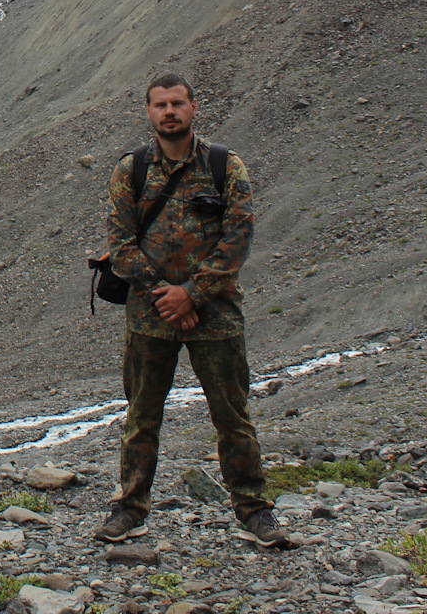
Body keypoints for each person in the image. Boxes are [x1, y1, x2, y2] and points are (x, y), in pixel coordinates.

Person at [93, 72, 290, 549]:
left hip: (215, 316)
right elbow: (120, 243)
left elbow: (238, 238)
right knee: (141, 415)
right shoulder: (131, 171)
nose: (169, 112)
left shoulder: (226, 166)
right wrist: (166, 294)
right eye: (160, 105)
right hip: (149, 316)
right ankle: (130, 509)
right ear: (148, 112)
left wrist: (193, 295)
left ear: (194, 107)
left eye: (177, 103)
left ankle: (254, 511)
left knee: (232, 417)